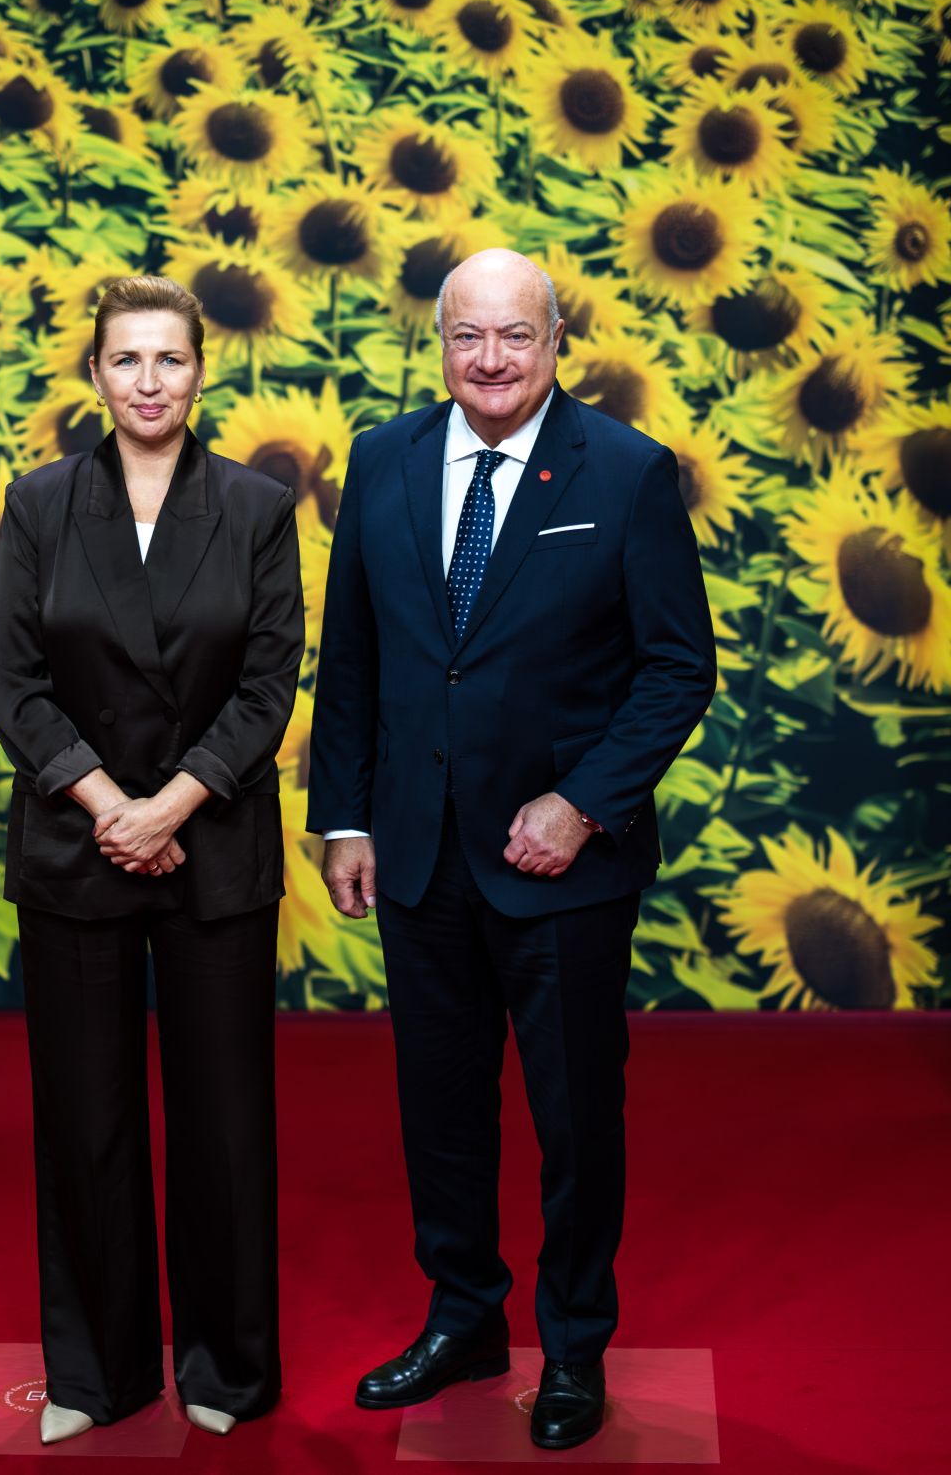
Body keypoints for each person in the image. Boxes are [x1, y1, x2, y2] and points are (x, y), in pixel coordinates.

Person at [306, 248, 715, 1451]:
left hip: (562, 870)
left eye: (515, 338)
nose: (490, 361)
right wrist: (345, 817)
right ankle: (464, 1318)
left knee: (575, 1117)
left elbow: (675, 666)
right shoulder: (379, 460)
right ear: (438, 342)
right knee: (438, 1108)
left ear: (555, 342)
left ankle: (573, 1346)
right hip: (417, 856)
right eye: (467, 337)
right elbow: (355, 662)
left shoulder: (627, 473)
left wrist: (581, 803)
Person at [0, 274, 303, 1444]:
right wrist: (108, 802)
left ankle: (226, 1369)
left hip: (210, 845)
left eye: (170, 360)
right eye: (127, 360)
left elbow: (269, 683)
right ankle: (97, 1373)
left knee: (222, 1123)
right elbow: (11, 682)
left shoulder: (259, 508)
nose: (149, 381)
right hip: (77, 844)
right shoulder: (38, 504)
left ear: (200, 373)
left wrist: (167, 805)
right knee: (86, 1118)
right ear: (95, 375)